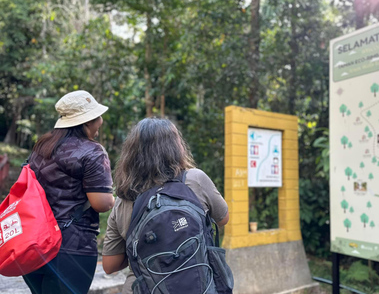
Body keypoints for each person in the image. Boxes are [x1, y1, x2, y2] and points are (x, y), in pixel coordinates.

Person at [102, 118, 229, 294]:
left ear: (131, 154)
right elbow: (223, 219)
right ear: (176, 148)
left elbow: (109, 265)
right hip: (199, 286)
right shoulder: (195, 180)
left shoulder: (124, 200)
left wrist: (142, 250)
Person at [23, 90, 115, 294]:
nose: (101, 120)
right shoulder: (92, 151)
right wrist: (116, 201)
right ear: (86, 122)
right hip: (71, 249)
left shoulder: (42, 146)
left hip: (35, 244)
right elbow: (102, 203)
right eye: (97, 116)